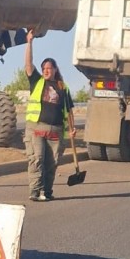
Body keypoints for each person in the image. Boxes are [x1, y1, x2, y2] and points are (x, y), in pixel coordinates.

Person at [24, 29, 76, 201]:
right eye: (44, 68)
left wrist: (72, 128)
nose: (46, 71)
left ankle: (47, 191)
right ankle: (34, 190)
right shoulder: (37, 81)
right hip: (36, 128)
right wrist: (29, 42)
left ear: (55, 70)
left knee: (51, 163)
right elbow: (28, 65)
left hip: (56, 131)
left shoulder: (62, 87)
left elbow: (68, 110)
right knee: (36, 159)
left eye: (49, 68)